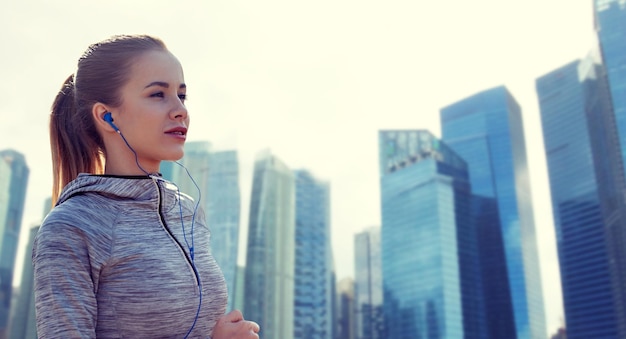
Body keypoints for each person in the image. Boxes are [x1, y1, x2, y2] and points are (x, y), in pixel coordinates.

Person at [32, 34, 260, 338]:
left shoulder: (187, 210)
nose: (180, 110)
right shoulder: (72, 226)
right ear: (107, 116)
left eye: (182, 95)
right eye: (157, 94)